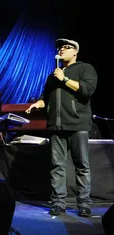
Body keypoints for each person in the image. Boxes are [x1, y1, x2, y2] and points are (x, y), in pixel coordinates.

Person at [25, 38, 98, 217]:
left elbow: (87, 90)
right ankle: (58, 203)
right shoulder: (53, 75)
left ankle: (84, 204)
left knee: (81, 165)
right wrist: (38, 105)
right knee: (57, 166)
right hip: (56, 126)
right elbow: (46, 98)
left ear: (75, 52)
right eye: (60, 47)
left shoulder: (85, 68)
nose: (62, 49)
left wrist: (64, 78)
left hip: (77, 123)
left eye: (67, 47)